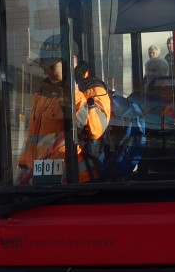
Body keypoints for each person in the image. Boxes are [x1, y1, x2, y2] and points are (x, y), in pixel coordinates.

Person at [17, 35, 110, 184]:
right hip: (43, 178)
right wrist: (24, 168)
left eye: (52, 66)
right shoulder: (44, 91)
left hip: (77, 182)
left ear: (72, 60)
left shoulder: (92, 89)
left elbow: (97, 129)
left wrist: (72, 92)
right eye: (45, 67)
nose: (47, 72)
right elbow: (33, 136)